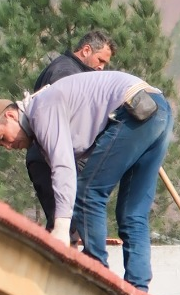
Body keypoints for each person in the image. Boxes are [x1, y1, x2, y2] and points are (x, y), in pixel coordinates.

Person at [0, 69, 174, 291]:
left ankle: (97, 279)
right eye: (1, 145)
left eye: (2, 137)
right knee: (132, 213)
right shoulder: (43, 122)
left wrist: (61, 227)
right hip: (158, 110)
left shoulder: (41, 109)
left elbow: (64, 168)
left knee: (88, 193)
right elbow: (76, 170)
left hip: (134, 110)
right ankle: (139, 290)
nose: (7, 146)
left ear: (11, 116)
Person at [25, 31, 114, 226]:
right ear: (86, 50)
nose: (101, 67)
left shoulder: (79, 74)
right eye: (100, 60)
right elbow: (63, 122)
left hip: (63, 155)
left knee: (71, 220)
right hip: (49, 156)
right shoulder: (65, 73)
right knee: (65, 220)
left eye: (105, 64)